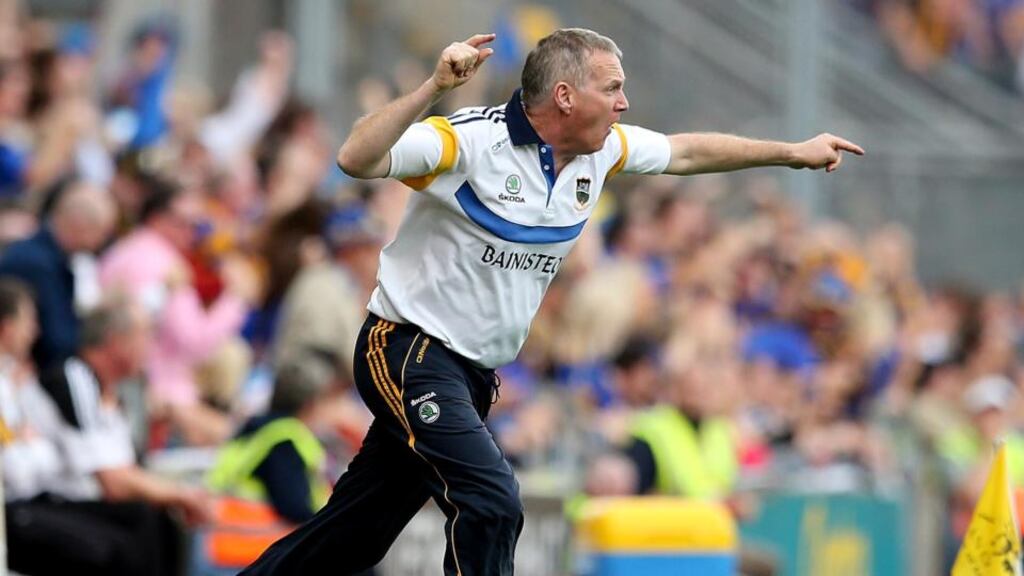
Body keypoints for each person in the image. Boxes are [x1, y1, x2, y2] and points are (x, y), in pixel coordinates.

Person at [243, 27, 863, 576]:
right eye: (612, 88)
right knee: (491, 500)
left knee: (353, 535)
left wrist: (791, 152)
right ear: (565, 96)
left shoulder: (603, 152)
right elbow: (355, 157)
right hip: (408, 351)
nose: (624, 103)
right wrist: (433, 85)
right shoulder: (469, 142)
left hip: (473, 374)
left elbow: (689, 151)